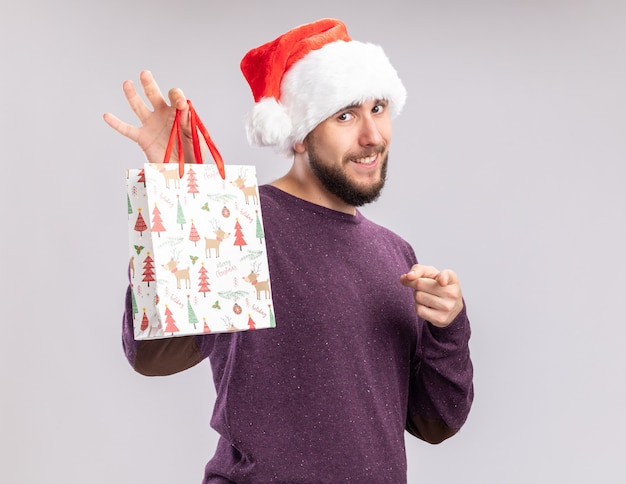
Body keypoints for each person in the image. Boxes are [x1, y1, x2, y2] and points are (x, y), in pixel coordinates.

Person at [104, 18, 474, 483]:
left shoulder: (395, 253)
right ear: (298, 134)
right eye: (344, 115)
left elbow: (436, 420)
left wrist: (448, 325)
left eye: (378, 108)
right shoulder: (242, 221)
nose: (372, 136)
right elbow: (154, 355)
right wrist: (182, 207)